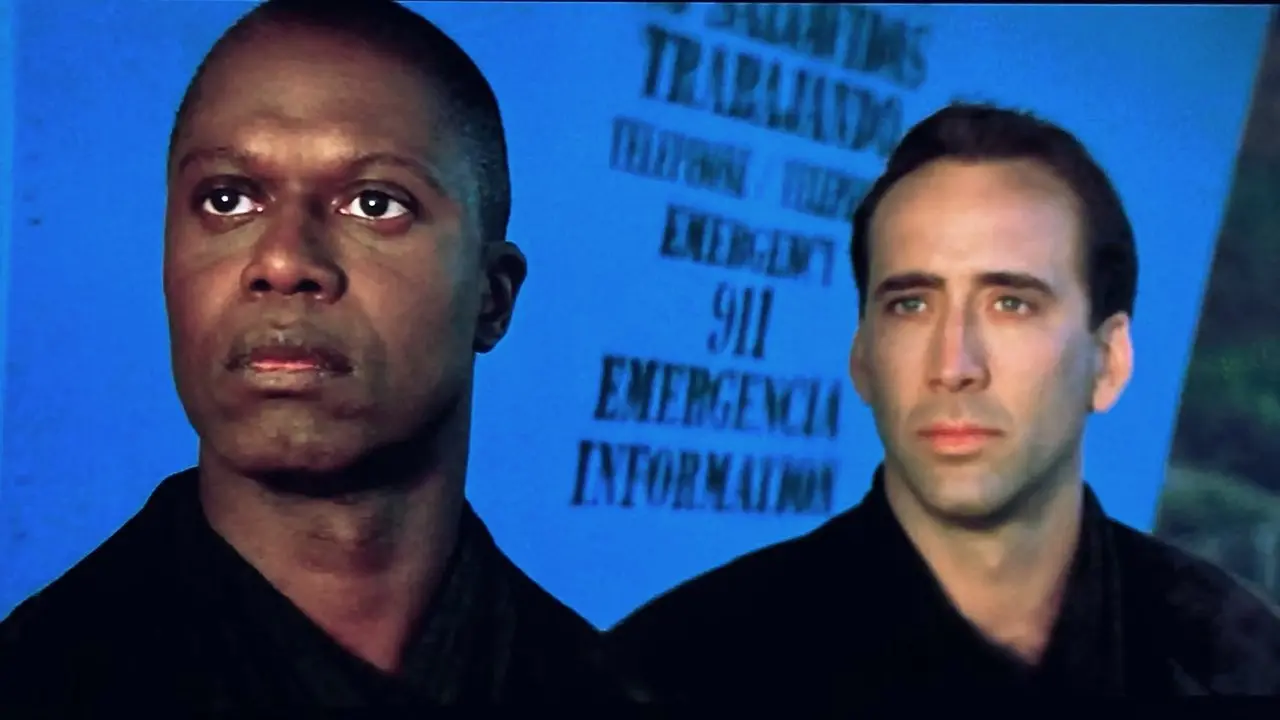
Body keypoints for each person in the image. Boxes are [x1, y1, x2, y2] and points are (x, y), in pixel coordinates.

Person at [0, 0, 645, 708]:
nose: (282, 262)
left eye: (375, 204)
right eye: (226, 200)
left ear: (491, 299)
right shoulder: (36, 683)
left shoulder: (614, 696)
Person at [608, 103, 1280, 698]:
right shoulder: (676, 670)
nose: (953, 366)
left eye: (1011, 303)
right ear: (864, 360)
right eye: (911, 305)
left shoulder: (1233, 661)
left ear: (1108, 362)